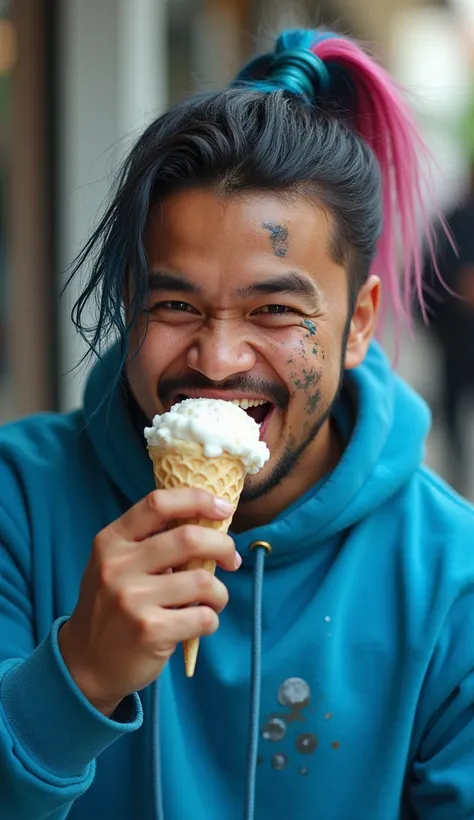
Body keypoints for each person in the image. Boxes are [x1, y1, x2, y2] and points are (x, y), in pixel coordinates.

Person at [1, 27, 473, 820]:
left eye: (275, 310)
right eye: (176, 304)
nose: (217, 361)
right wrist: (77, 674)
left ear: (358, 324)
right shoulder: (18, 500)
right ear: (129, 304)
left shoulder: (451, 585)